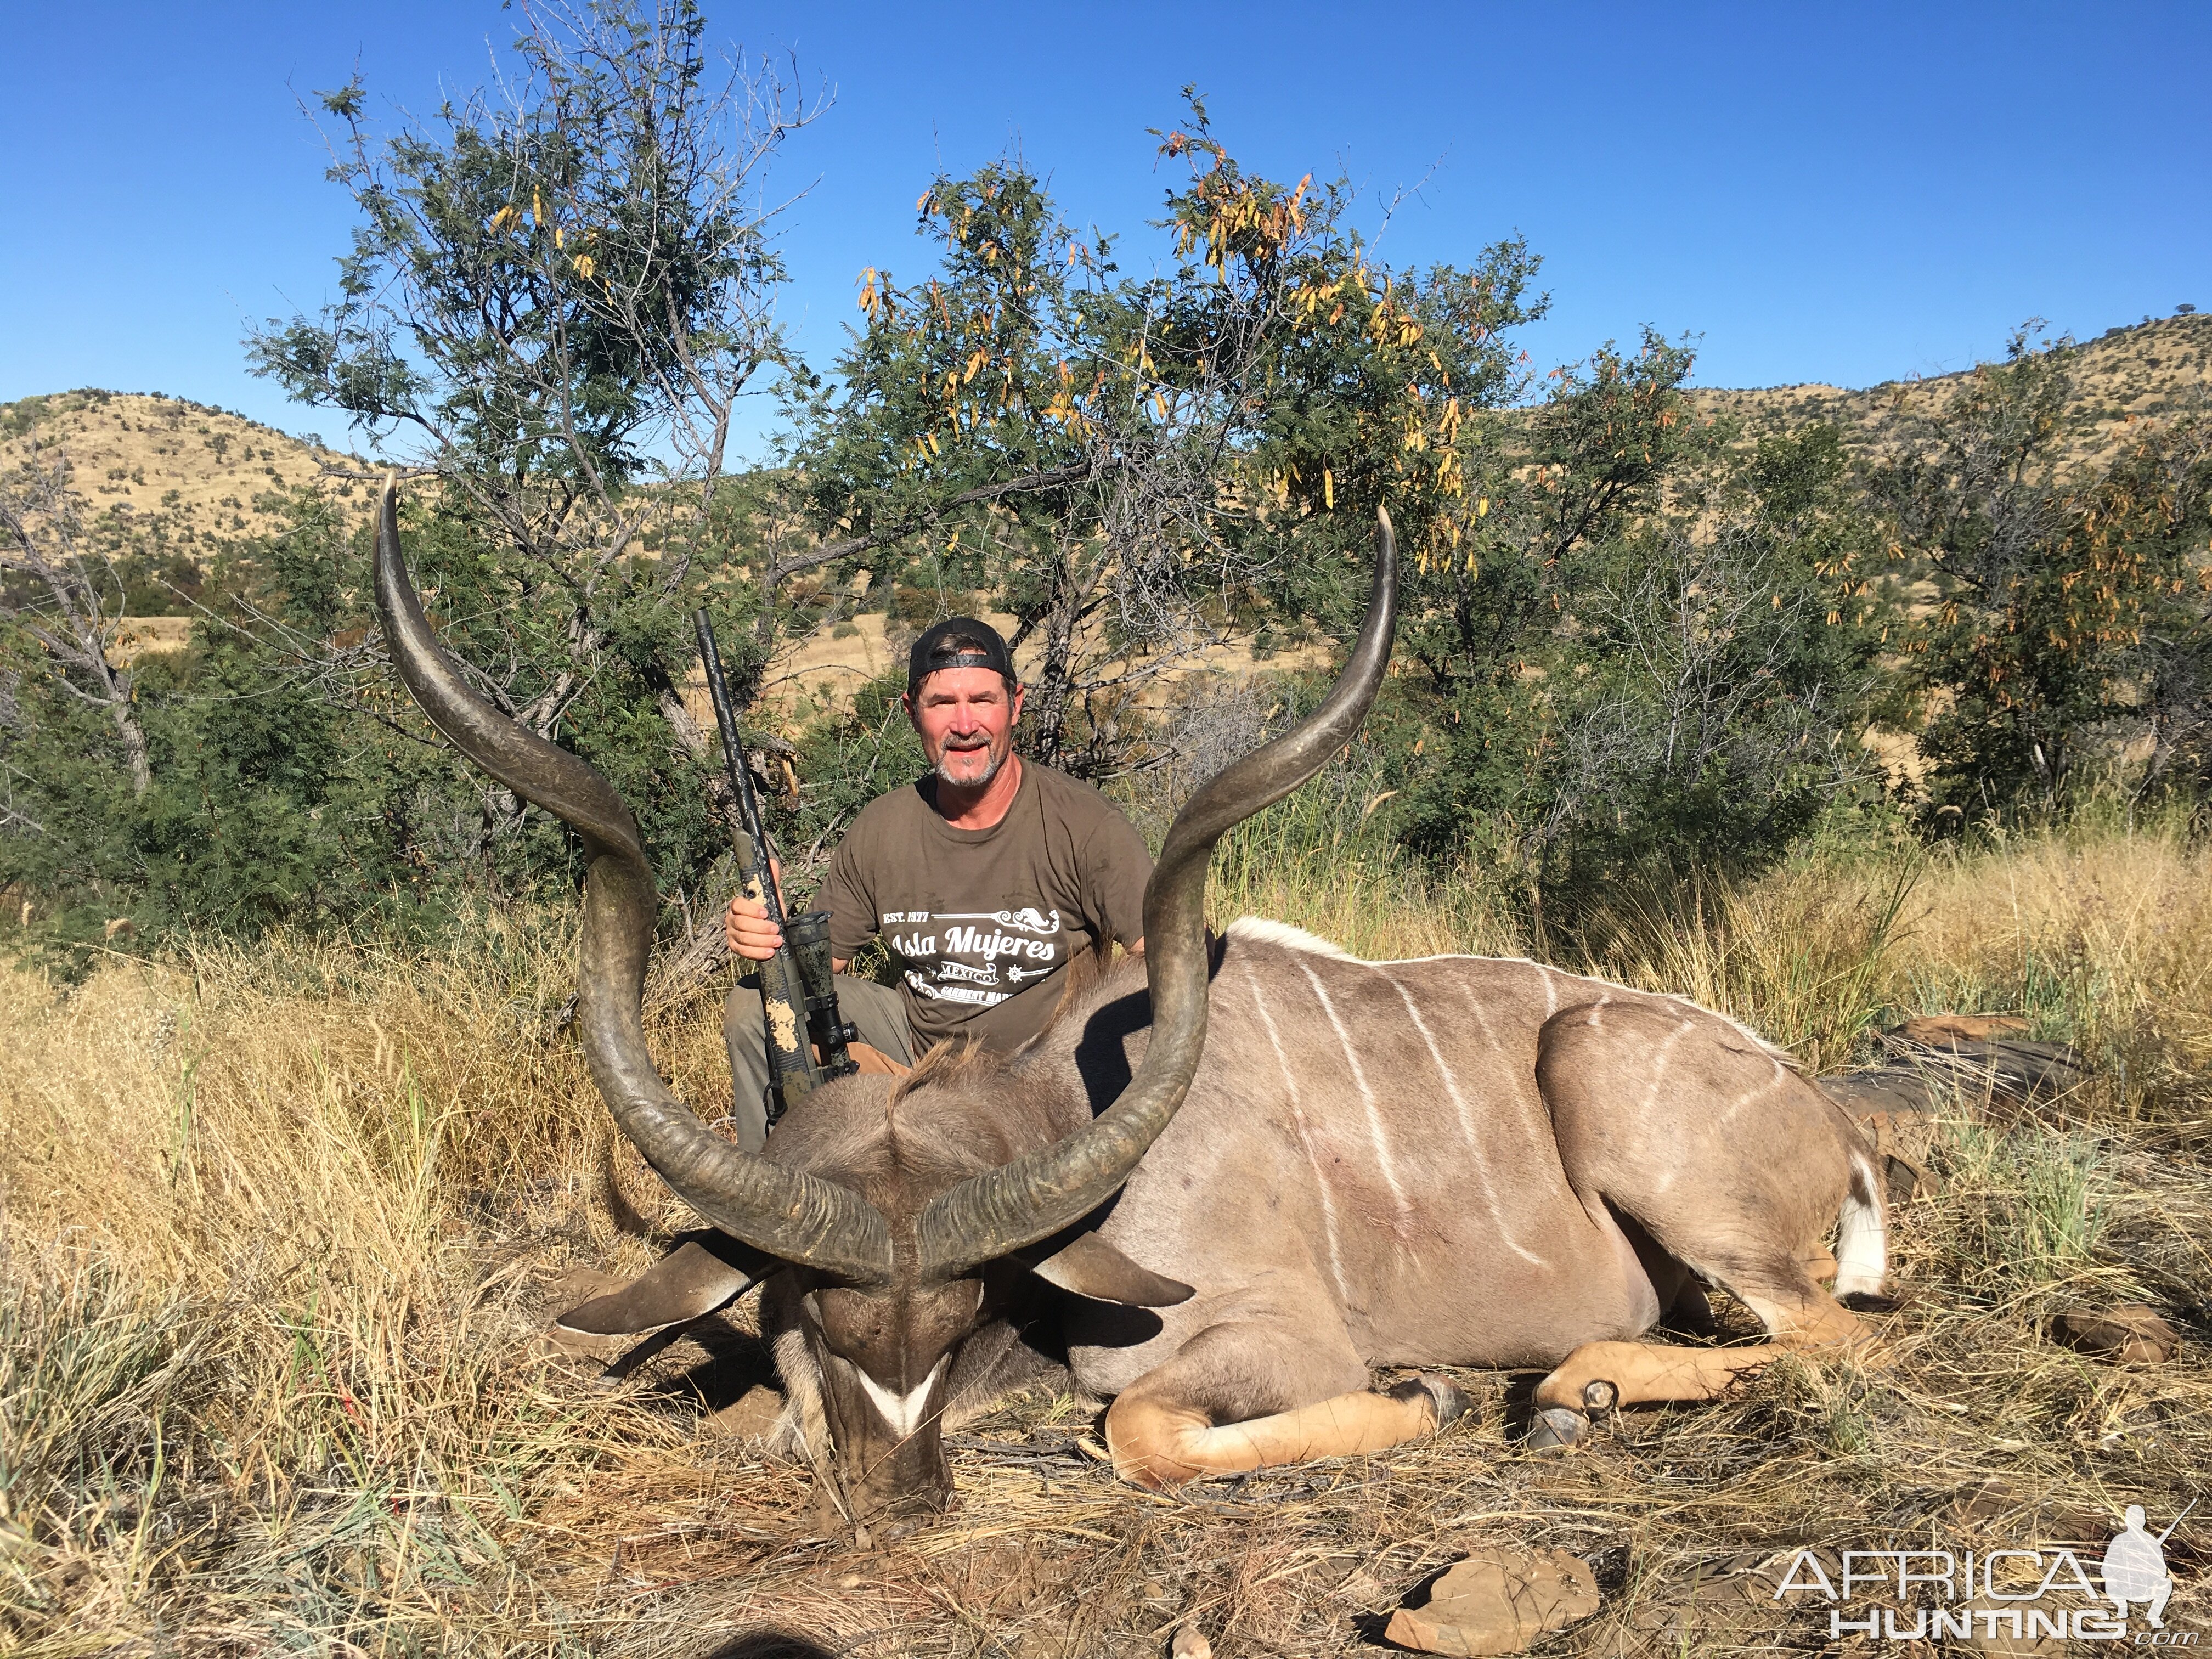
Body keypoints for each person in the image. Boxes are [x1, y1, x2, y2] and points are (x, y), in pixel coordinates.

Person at [721, 617, 1153, 1150]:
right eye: (943, 702)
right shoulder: (883, 828)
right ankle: (768, 1196)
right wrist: (766, 936)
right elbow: (814, 972)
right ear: (911, 714)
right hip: (917, 1058)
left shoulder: (1085, 826)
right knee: (754, 1006)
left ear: (1015, 706)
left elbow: (1175, 959)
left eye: (983, 700)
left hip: (1040, 1083)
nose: (965, 723)